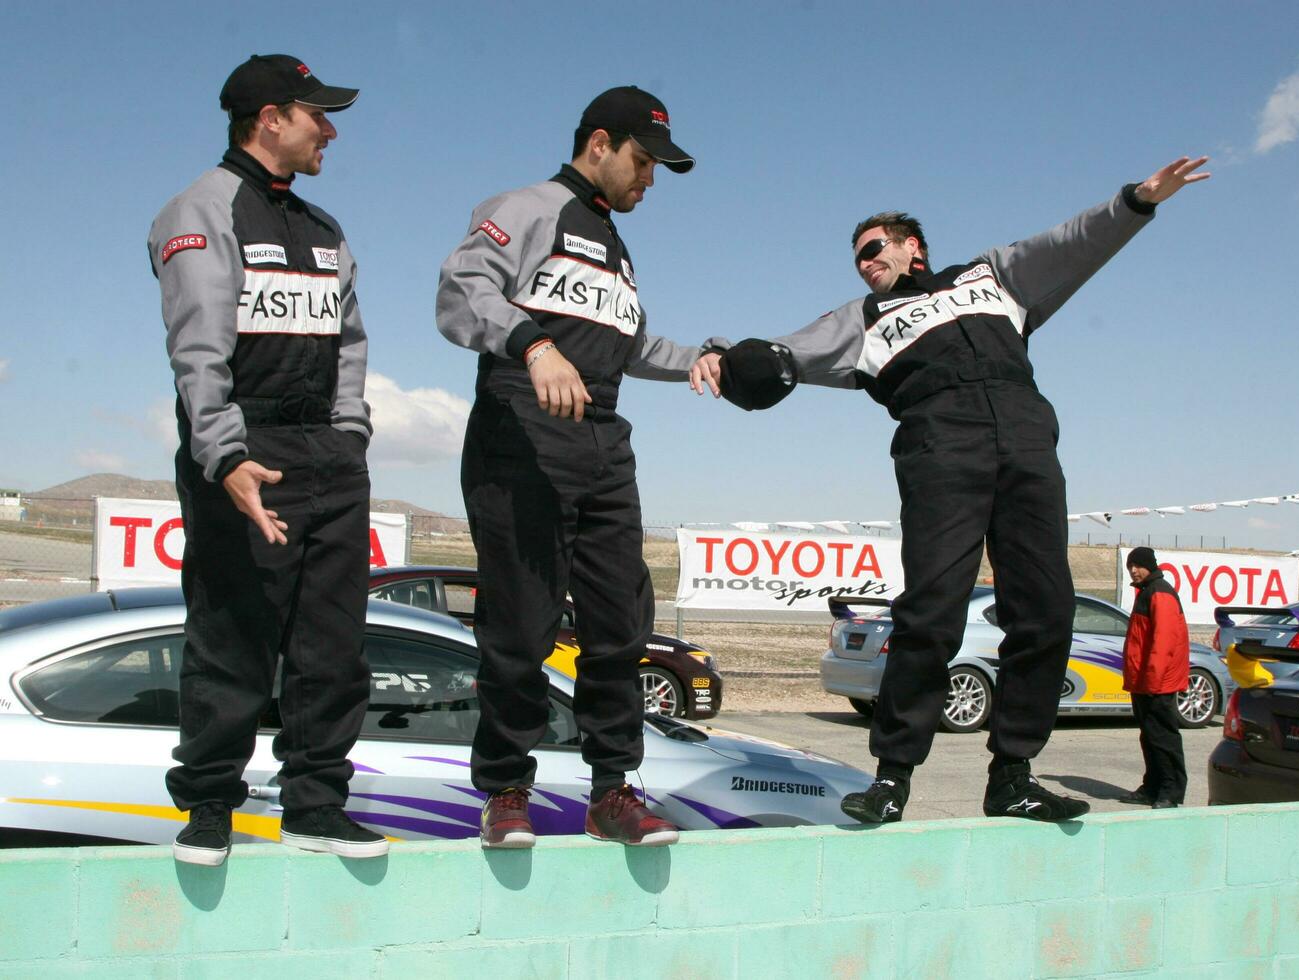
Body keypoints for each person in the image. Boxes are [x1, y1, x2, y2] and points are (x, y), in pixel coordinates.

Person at [691, 157, 1210, 824]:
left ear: (915, 247)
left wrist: (1137, 201)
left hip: (1026, 442)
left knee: (1045, 611)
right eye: (857, 259)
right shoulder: (863, 317)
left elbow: (1070, 243)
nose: (865, 264)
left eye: (874, 250)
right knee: (931, 611)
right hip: (940, 447)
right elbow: (782, 353)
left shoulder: (991, 275)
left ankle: (1014, 777)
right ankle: (892, 779)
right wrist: (720, 351)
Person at [437, 86, 715, 848]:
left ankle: (613, 790)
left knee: (620, 627)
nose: (650, 179)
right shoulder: (527, 208)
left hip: (603, 441)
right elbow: (461, 293)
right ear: (600, 143)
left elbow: (628, 347)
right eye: (644, 160)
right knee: (521, 626)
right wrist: (532, 343)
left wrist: (701, 360)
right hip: (521, 432)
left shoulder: (617, 248)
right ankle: (505, 790)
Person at [147, 54, 386, 866]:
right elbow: (198, 353)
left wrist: (351, 436)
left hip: (329, 453)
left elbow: (351, 345)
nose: (331, 129)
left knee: (333, 645)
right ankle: (209, 804)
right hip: (246, 454)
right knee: (232, 635)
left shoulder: (325, 229)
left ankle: (316, 805)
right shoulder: (200, 210)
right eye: (317, 114)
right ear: (270, 119)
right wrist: (224, 457)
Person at [1119, 547, 1190, 808]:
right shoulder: (1147, 592)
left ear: (1150, 566)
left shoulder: (1160, 592)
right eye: (1130, 566)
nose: (1133, 570)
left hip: (1157, 684)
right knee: (1149, 737)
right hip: (1144, 682)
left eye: (1137, 565)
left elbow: (1164, 642)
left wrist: (1152, 680)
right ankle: (1152, 787)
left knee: (1163, 738)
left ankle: (1171, 792)